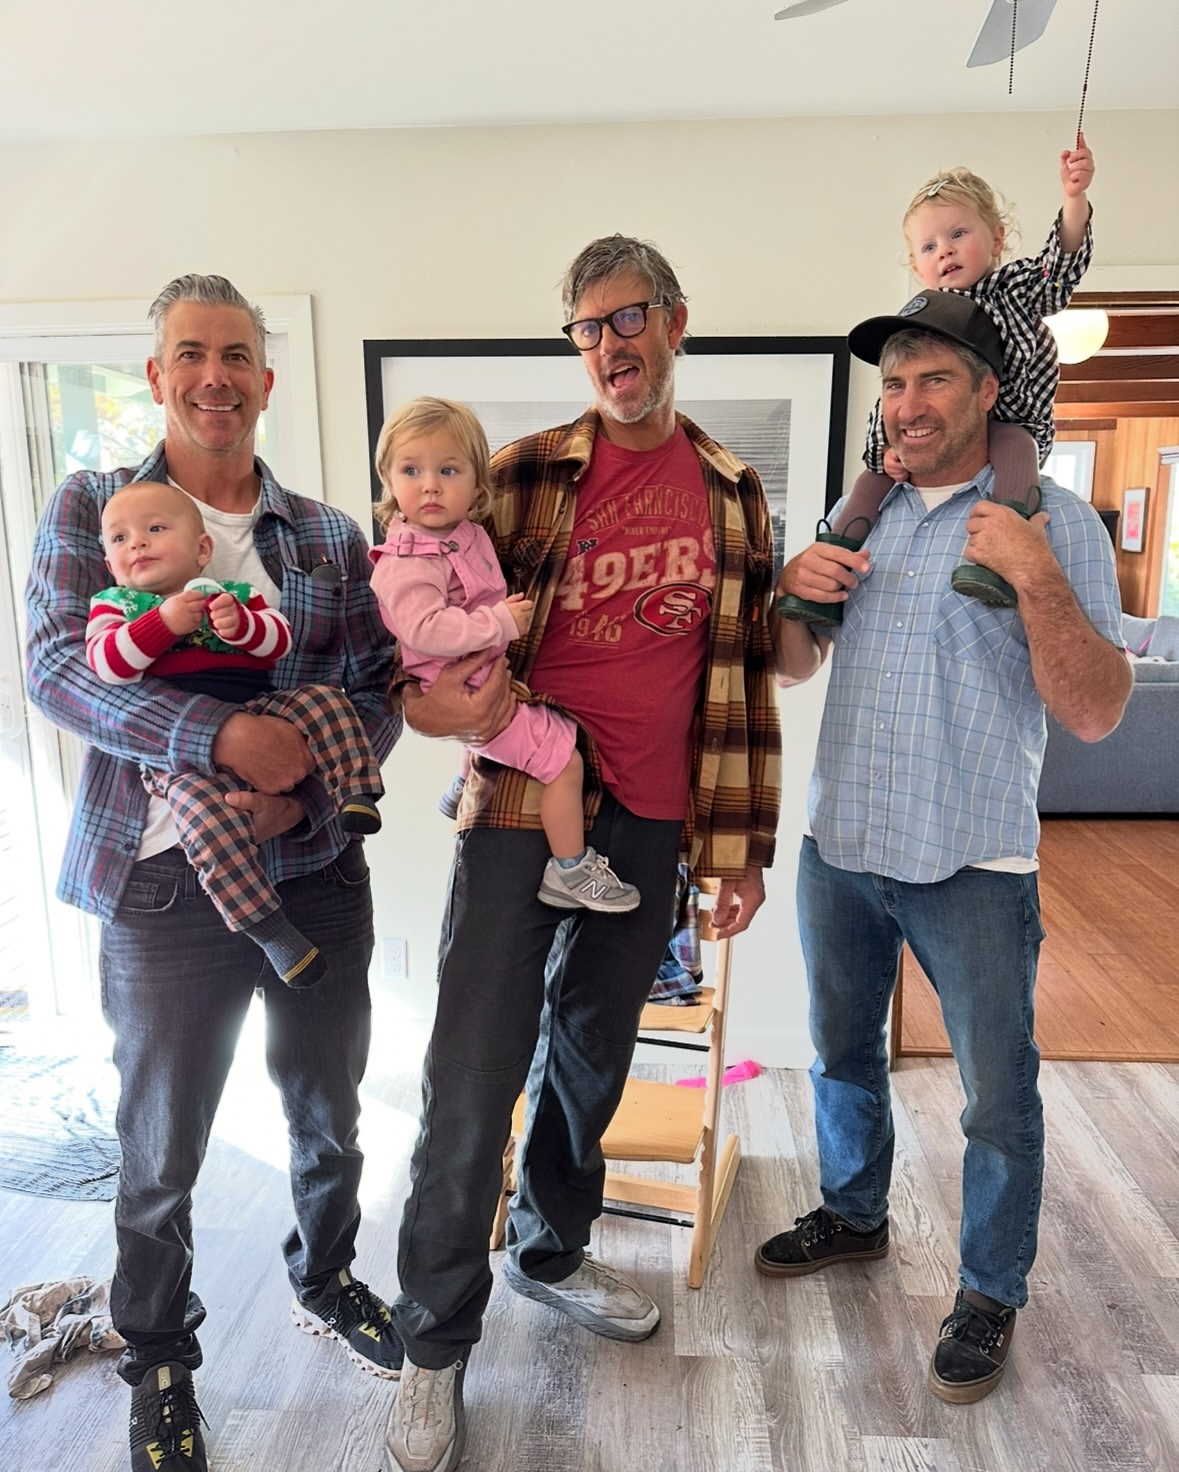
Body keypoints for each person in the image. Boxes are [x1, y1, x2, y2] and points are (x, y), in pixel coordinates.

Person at [382, 235, 781, 1472]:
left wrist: (740, 847)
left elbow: (745, 676)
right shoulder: (519, 473)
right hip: (521, 806)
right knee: (471, 1070)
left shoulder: (732, 491)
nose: (612, 344)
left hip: (654, 823)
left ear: (675, 321)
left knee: (595, 1058)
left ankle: (549, 1251)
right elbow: (413, 628)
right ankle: (433, 1340)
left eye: (630, 317)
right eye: (588, 326)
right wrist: (436, 711)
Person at [25, 274, 402, 1472]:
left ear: (265, 379)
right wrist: (221, 736)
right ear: (157, 374)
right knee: (161, 1143)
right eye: (190, 352)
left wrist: (305, 788)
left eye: (236, 353)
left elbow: (378, 686)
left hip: (315, 868)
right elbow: (56, 668)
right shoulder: (98, 505)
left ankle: (328, 1276)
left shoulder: (329, 535)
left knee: (329, 1109)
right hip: (161, 884)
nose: (214, 375)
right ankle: (159, 1356)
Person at [761, 290, 1132, 1405]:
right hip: (842, 843)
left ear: (985, 391)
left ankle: (987, 1288)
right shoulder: (860, 511)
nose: (907, 403)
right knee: (841, 1054)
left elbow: (1097, 709)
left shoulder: (1052, 520)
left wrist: (1032, 571)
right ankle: (854, 1212)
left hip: (972, 860)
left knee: (993, 1099)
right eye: (893, 383)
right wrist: (787, 593)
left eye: (932, 379)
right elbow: (791, 666)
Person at [780, 135, 1095, 624]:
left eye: (958, 234)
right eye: (929, 246)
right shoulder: (919, 318)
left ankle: (996, 560)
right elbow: (892, 398)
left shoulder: (1010, 289)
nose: (945, 251)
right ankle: (831, 564)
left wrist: (1074, 200)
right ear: (915, 265)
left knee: (1017, 449)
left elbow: (1059, 271)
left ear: (997, 238)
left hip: (1011, 421)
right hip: (933, 442)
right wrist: (883, 450)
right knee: (872, 477)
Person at [89, 480, 385, 988]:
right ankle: (271, 931)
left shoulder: (228, 594)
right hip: (178, 762)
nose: (136, 543)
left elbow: (278, 641)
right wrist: (162, 623)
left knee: (326, 702)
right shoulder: (116, 606)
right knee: (205, 822)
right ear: (109, 562)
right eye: (120, 539)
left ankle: (356, 793)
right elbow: (106, 665)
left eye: (155, 529)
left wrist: (241, 624)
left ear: (202, 549)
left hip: (260, 707)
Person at [369, 396, 639, 913]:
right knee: (564, 761)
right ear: (389, 479)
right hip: (460, 681)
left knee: (506, 720)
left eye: (448, 470)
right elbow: (423, 629)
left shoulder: (464, 533)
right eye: (411, 470)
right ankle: (569, 869)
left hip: (482, 669)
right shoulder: (405, 562)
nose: (430, 485)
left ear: (478, 484)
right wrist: (496, 622)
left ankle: (461, 780)